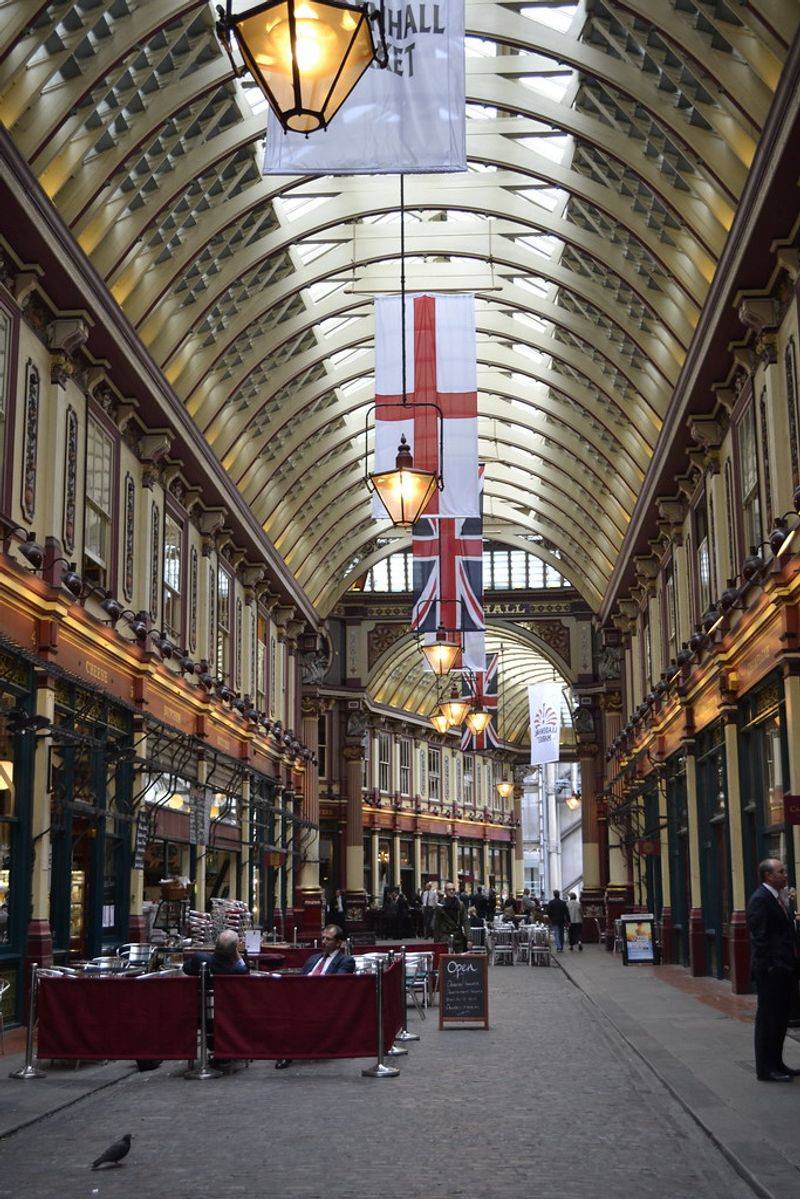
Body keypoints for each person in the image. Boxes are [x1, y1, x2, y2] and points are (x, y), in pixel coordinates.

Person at [746, 859, 799, 1082]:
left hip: (784, 969)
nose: (785, 875)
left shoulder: (777, 897)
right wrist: (771, 966)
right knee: (768, 1019)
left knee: (780, 1019)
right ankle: (765, 1069)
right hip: (771, 971)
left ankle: (777, 1063)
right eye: (780, 872)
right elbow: (760, 938)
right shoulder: (760, 899)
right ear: (768, 876)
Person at [274, 926, 356, 1071]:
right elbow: (300, 980)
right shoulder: (313, 958)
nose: (324, 942)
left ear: (339, 943)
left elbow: (336, 985)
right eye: (323, 938)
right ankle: (284, 1050)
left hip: (324, 1000)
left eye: (328, 939)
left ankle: (287, 1052)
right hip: (302, 998)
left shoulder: (346, 961)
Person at [183, 928, 249, 977]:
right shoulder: (238, 970)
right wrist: (237, 954)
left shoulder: (200, 959)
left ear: (216, 944)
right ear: (234, 951)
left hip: (203, 994)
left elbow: (185, 968)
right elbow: (245, 971)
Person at [433, 881, 471, 952]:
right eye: (449, 889)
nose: (451, 891)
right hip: (445, 938)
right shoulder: (440, 906)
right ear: (445, 891)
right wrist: (436, 944)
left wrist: (469, 939)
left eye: (453, 889)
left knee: (459, 960)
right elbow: (436, 925)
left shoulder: (460, 905)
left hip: (458, 938)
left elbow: (466, 922)